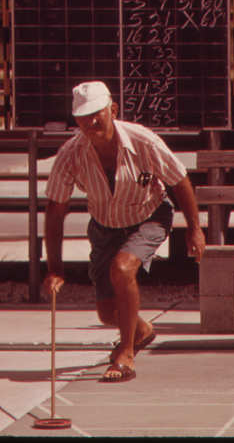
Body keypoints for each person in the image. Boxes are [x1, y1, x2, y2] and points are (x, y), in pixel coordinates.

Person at [43, 81, 206, 382]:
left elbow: (179, 180)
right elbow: (55, 210)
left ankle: (126, 354)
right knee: (107, 313)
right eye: (83, 116)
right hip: (105, 225)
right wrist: (55, 269)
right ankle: (141, 331)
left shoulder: (143, 141)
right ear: (75, 120)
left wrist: (195, 229)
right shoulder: (70, 154)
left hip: (149, 214)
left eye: (97, 113)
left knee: (122, 268)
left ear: (113, 110)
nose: (91, 122)